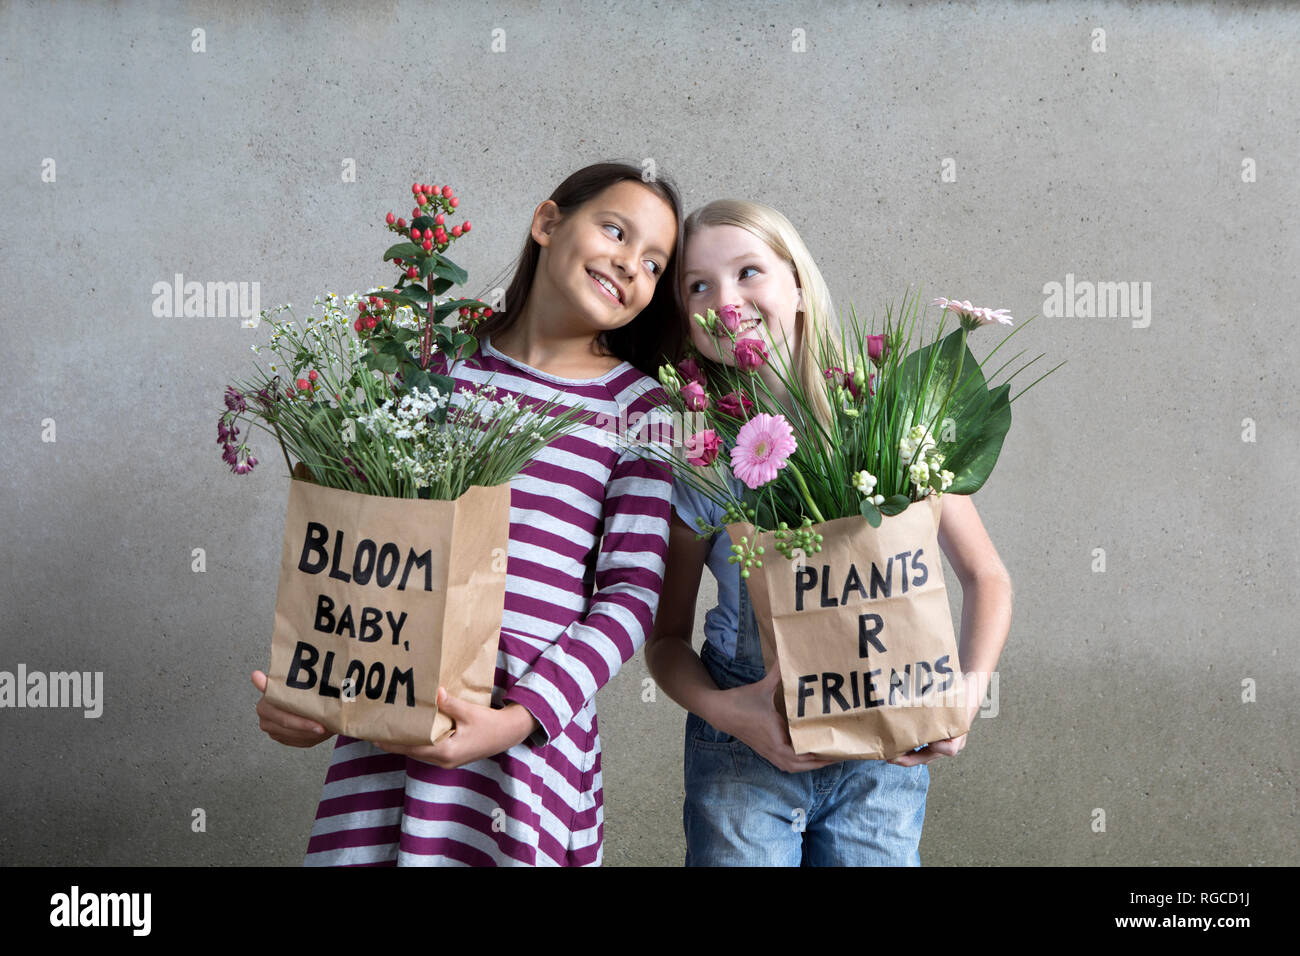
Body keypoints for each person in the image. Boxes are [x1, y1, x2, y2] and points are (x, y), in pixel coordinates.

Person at [252, 161, 686, 865]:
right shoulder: (436, 364)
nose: (630, 265)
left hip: (522, 741)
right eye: (616, 230)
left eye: (654, 263)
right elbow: (360, 545)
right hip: (397, 715)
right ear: (547, 223)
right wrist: (310, 691)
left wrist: (516, 721)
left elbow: (632, 595)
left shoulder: (643, 411)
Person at [645, 199, 1014, 866]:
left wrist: (967, 692)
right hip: (744, 749)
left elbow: (986, 576)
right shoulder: (699, 457)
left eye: (748, 271)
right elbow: (665, 641)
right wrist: (732, 715)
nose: (725, 301)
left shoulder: (885, 417)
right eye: (698, 286)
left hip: (883, 748)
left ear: (797, 284)